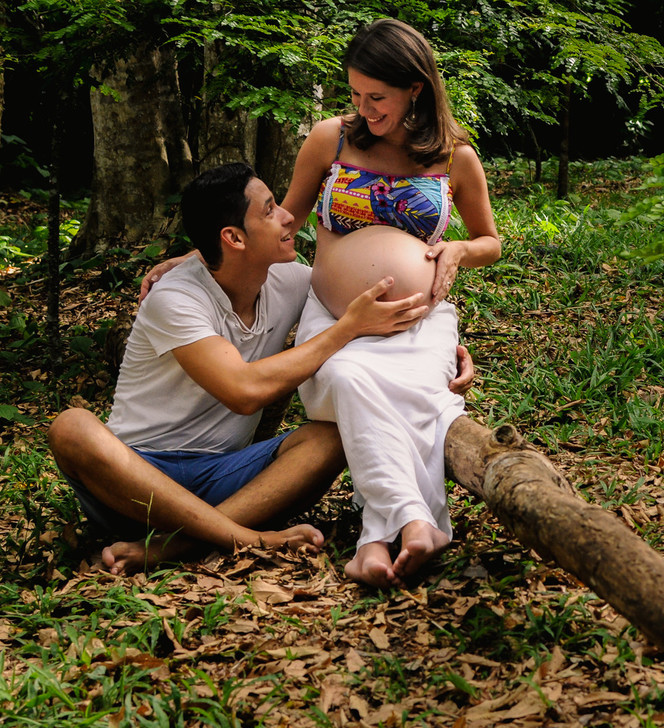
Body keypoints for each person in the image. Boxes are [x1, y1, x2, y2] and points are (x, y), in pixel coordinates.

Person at [146, 20, 502, 588]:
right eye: (355, 93)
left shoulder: (455, 157)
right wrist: (198, 254)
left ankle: (379, 538)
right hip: (336, 318)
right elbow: (278, 220)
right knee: (345, 377)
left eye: (376, 97)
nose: (364, 108)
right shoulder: (331, 139)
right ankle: (414, 520)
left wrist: (459, 248)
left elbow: (490, 241)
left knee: (411, 394)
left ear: (415, 87)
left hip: (416, 319)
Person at [49, 162, 468, 575]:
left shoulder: (289, 281)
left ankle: (180, 544)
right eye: (269, 210)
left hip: (228, 479)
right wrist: (347, 328)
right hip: (138, 485)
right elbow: (243, 392)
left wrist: (441, 354)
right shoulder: (175, 299)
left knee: (332, 433)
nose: (288, 216)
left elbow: (365, 307)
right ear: (233, 238)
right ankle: (245, 538)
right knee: (72, 427)